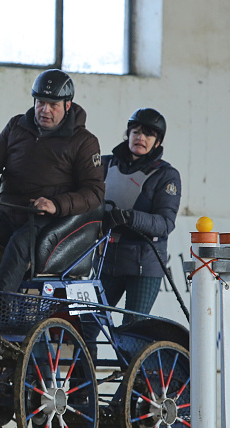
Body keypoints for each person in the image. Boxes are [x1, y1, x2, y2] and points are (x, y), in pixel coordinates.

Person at [0, 69, 104, 291]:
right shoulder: (16, 126)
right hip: (6, 213)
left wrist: (55, 204)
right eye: (41, 103)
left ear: (67, 105)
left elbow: (94, 193)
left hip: (47, 222)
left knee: (19, 244)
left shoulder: (84, 142)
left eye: (53, 105)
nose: (45, 110)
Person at [99, 108, 182, 323]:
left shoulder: (166, 175)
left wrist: (129, 217)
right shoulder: (104, 165)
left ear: (157, 142)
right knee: (88, 323)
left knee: (132, 330)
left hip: (144, 267)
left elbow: (165, 224)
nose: (140, 138)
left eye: (148, 134)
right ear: (128, 135)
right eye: (135, 132)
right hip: (107, 261)